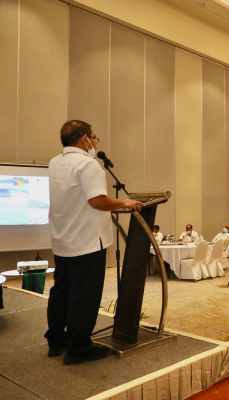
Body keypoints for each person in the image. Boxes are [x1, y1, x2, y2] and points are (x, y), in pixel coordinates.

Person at [45, 120, 142, 364]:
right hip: (87, 242)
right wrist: (125, 203)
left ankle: (56, 340)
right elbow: (97, 200)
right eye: (93, 137)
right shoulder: (89, 165)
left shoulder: (55, 163)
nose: (95, 141)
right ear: (84, 139)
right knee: (85, 296)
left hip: (63, 240)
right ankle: (79, 348)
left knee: (62, 292)